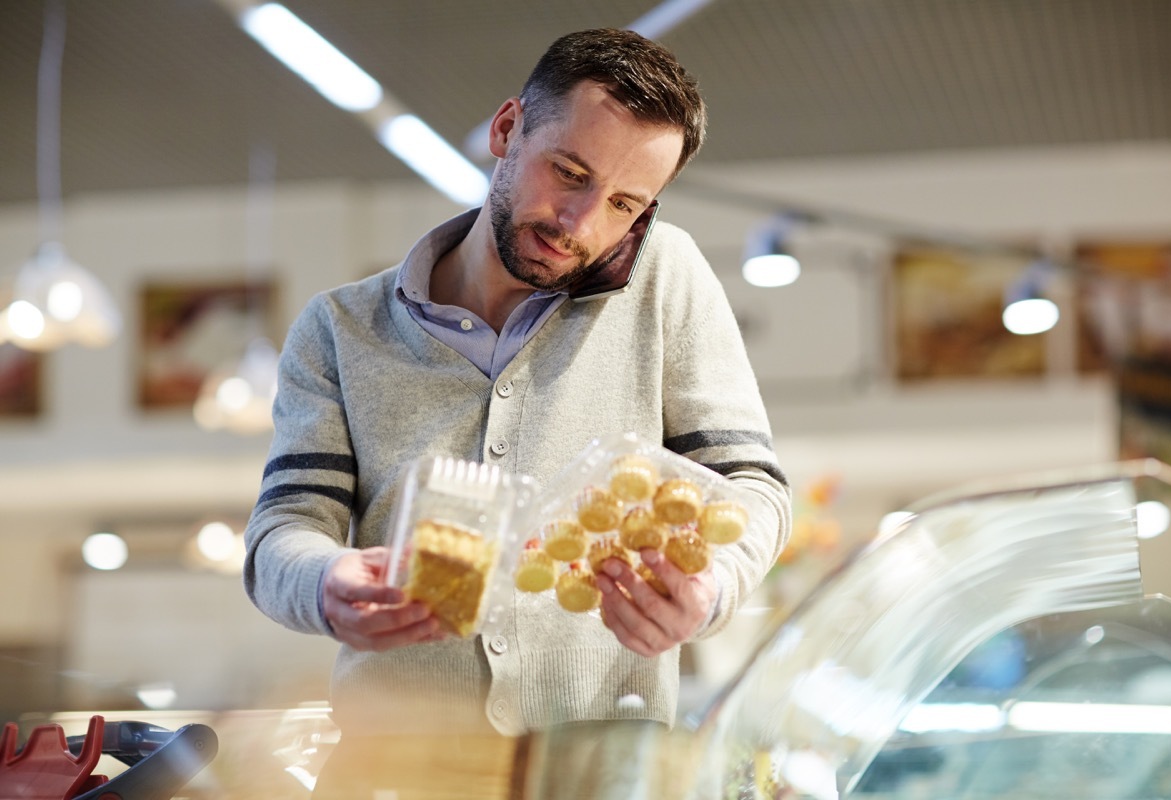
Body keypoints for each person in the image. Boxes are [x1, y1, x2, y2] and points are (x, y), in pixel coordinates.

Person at [243, 26, 791, 795]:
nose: (582, 224)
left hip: (602, 769)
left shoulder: (665, 280)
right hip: (388, 768)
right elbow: (282, 530)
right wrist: (326, 583)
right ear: (507, 129)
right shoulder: (340, 329)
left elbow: (752, 488)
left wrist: (711, 592)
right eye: (568, 173)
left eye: (626, 204)